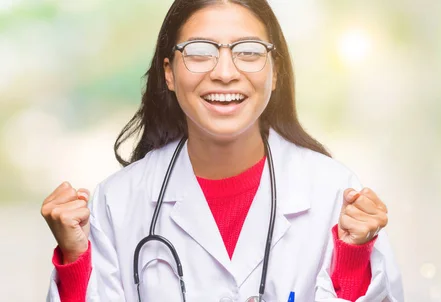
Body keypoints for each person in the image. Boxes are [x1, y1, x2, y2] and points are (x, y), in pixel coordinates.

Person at [41, 0, 403, 301]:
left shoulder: (333, 193)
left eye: (248, 52)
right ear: (169, 73)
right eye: (199, 52)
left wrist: (352, 260)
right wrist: (74, 260)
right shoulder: (117, 202)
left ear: (275, 72)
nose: (225, 72)